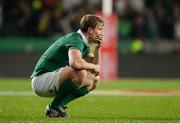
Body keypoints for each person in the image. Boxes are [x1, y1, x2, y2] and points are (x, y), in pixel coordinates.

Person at [31, 14, 104, 118]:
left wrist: (98, 48)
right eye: (100, 29)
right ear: (90, 30)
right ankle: (54, 106)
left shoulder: (84, 43)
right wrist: (92, 67)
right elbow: (75, 63)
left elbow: (95, 72)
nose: (102, 33)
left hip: (52, 79)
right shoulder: (75, 39)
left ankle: (57, 107)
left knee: (94, 80)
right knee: (80, 72)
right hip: (40, 80)